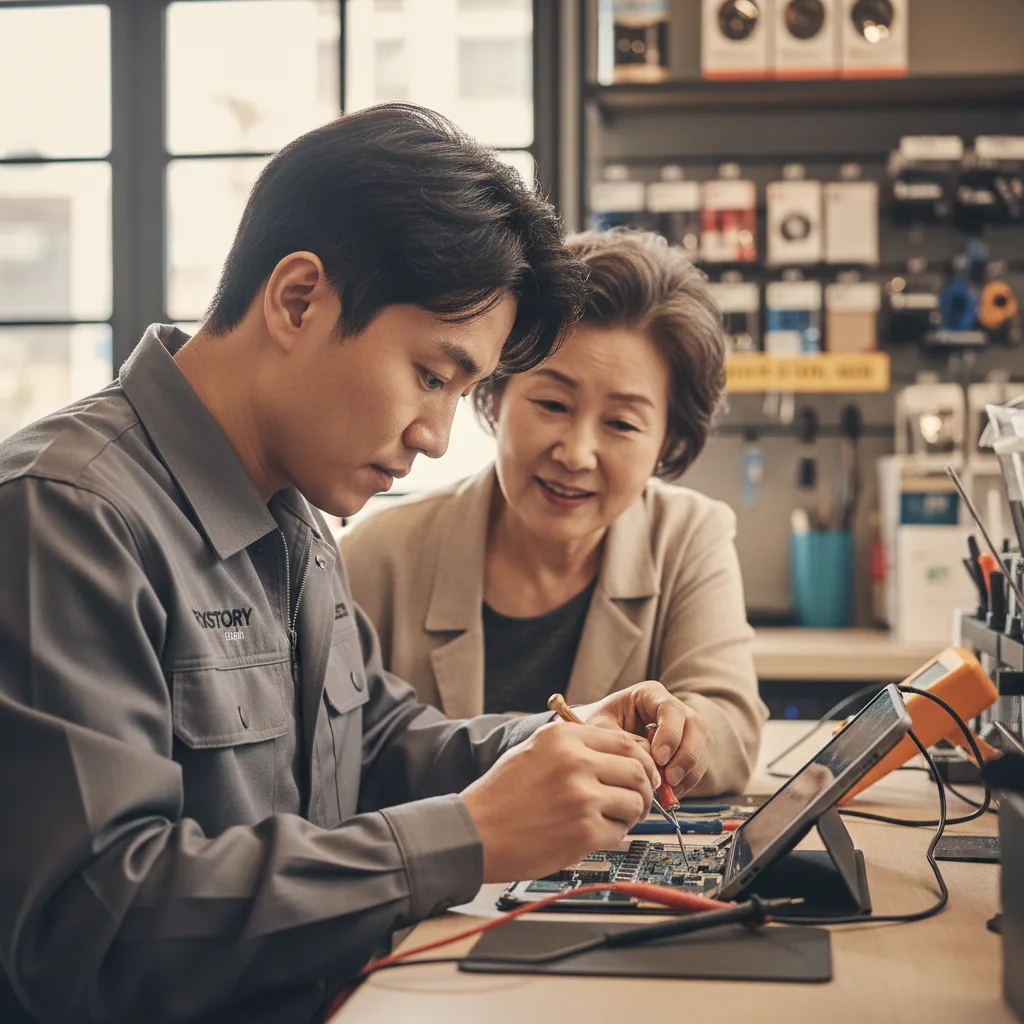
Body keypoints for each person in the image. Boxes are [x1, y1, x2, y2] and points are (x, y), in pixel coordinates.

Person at [0, 107, 708, 1024]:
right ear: (298, 300)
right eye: (431, 376)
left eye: (461, 391)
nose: (437, 435)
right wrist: (468, 835)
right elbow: (91, 930)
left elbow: (371, 744)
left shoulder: (293, 507)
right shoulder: (65, 516)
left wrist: (548, 746)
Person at [341, 229, 768, 797]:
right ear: (495, 396)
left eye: (622, 423)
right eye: (552, 404)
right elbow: (337, 763)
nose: (576, 454)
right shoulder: (376, 554)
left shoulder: (687, 536)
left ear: (666, 442)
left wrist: (682, 736)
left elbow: (730, 727)